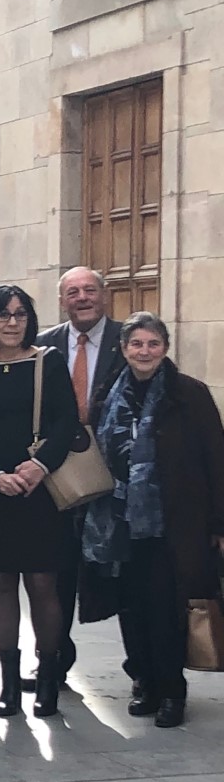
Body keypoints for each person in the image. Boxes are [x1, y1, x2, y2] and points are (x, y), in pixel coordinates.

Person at [82, 312, 224, 729]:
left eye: (153, 344)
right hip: (119, 521)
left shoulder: (189, 394)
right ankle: (142, 680)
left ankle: (172, 690)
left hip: (174, 523)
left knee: (167, 607)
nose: (144, 352)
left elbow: (216, 460)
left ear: (165, 348)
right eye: (136, 344)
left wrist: (219, 524)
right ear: (124, 349)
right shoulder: (109, 392)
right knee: (131, 606)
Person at [0, 286, 78, 719]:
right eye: (3, 315)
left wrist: (39, 466)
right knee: (1, 585)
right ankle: (9, 683)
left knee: (43, 585)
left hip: (40, 492)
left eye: (20, 314)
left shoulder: (49, 362)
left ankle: (47, 680)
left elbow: (66, 421)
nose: (12, 322)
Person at [37, 267, 122, 683]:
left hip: (116, 475)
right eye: (73, 292)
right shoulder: (44, 346)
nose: (82, 298)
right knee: (56, 572)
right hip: (59, 473)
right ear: (62, 300)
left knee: (121, 570)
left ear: (103, 295)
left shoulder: (128, 341)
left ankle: (141, 667)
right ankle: (53, 658)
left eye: (89, 290)